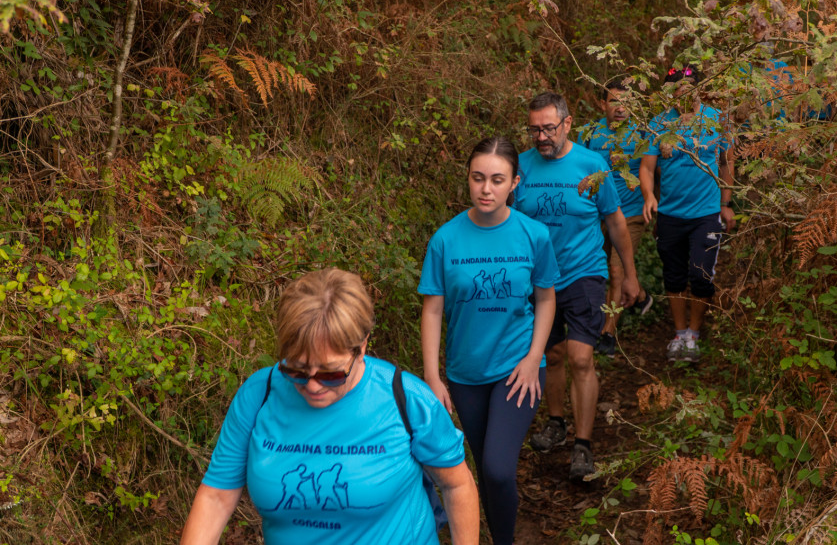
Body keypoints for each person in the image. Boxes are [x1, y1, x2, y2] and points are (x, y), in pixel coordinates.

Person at [181, 268, 479, 545]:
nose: (312, 385)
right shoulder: (259, 396)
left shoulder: (406, 399)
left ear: (361, 347)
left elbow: (457, 486)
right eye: (296, 370)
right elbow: (217, 497)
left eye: (331, 374)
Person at [419, 136, 559, 545]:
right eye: (478, 178)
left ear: (515, 182)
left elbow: (547, 298)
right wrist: (433, 375)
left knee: (498, 468)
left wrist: (535, 357)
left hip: (518, 369)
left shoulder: (533, 235)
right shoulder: (446, 239)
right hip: (465, 374)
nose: (486, 189)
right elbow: (432, 309)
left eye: (497, 180)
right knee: (483, 468)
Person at [516, 92, 640, 481]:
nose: (541, 137)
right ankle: (556, 422)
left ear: (567, 124)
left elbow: (616, 221)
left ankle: (583, 446)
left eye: (548, 128)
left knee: (580, 357)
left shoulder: (591, 164)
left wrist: (631, 275)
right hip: (539, 280)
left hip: (583, 272)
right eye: (534, 129)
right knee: (550, 355)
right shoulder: (520, 167)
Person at [639, 65, 735, 364]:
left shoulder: (716, 120)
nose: (682, 92)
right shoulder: (659, 123)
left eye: (688, 86)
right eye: (675, 88)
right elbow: (646, 167)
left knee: (701, 275)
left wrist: (726, 202)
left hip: (706, 213)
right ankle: (679, 334)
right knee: (675, 278)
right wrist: (649, 195)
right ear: (668, 92)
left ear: (698, 89)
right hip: (670, 214)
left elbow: (726, 162)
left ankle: (694, 334)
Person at [581, 79, 655, 356]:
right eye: (614, 101)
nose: (621, 108)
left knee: (616, 270)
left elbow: (651, 173)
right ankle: (641, 297)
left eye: (627, 103)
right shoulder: (589, 134)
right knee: (596, 272)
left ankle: (607, 334)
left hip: (630, 214)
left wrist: (654, 203)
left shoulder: (642, 134)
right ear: (603, 104)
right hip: (595, 214)